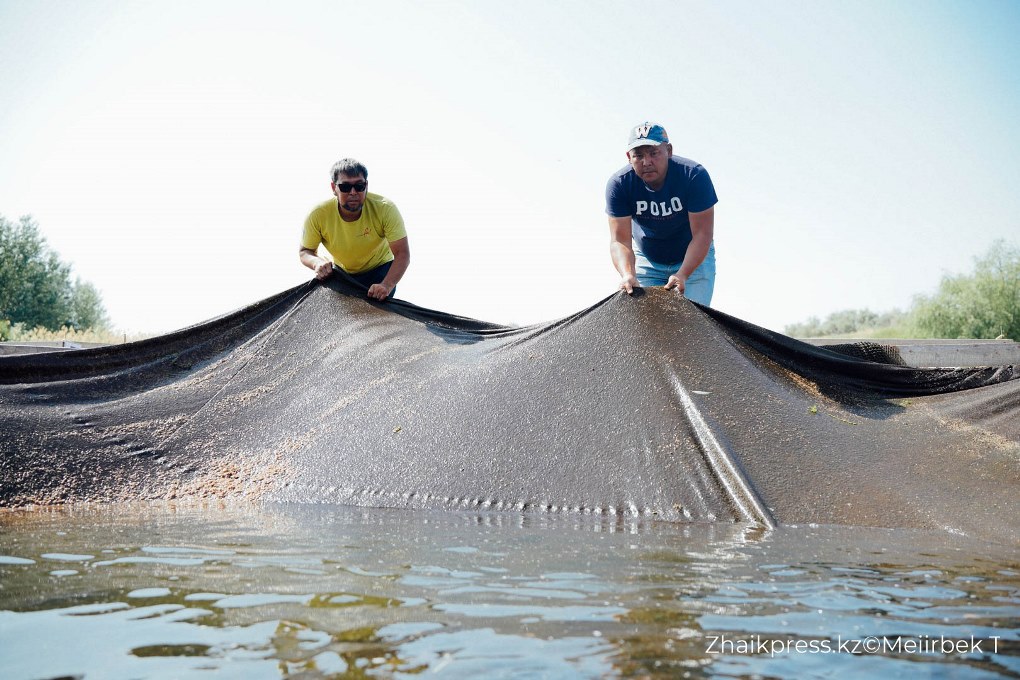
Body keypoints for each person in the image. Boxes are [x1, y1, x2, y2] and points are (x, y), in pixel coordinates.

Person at [605, 122, 718, 305]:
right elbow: (620, 240)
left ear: (669, 151)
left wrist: (683, 274)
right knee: (645, 320)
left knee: (690, 320)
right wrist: (628, 274)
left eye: (654, 153)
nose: (646, 162)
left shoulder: (693, 176)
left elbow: (703, 234)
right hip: (648, 259)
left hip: (693, 260)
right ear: (629, 157)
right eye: (638, 155)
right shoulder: (619, 184)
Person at [300, 158, 410, 301]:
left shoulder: (385, 209)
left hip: (379, 272)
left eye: (359, 186)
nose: (353, 192)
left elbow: (402, 254)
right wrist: (317, 263)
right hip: (340, 274)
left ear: (366, 185)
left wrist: (386, 285)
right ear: (334, 188)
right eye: (345, 187)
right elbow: (305, 251)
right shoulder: (318, 214)